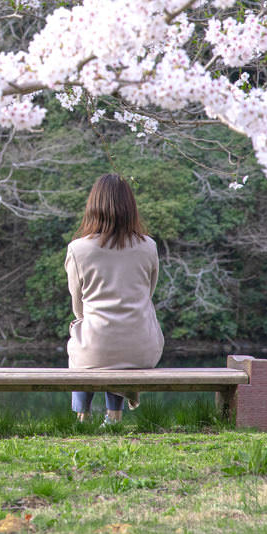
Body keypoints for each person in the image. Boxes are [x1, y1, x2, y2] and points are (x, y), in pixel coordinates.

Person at [66, 172, 164, 424]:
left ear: (93, 206)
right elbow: (148, 294)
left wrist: (85, 320)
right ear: (130, 208)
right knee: (120, 337)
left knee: (84, 333)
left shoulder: (78, 249)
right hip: (142, 350)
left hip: (96, 349)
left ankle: (82, 415)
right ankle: (114, 416)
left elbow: (78, 307)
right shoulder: (149, 246)